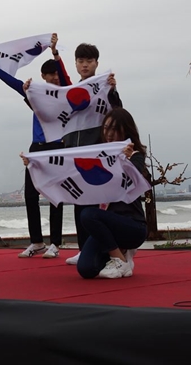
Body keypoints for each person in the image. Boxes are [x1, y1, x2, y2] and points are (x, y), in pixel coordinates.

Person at [0, 33, 71, 258]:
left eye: (56, 75)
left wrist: (55, 53)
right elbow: (11, 82)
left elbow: (67, 80)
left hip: (58, 146)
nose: (55, 79)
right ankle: (37, 241)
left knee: (54, 195)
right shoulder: (34, 92)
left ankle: (55, 243)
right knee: (30, 194)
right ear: (43, 76)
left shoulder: (68, 95)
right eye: (50, 75)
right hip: (37, 147)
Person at [61, 43, 123, 265]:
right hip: (73, 154)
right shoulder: (69, 92)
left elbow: (117, 113)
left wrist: (113, 91)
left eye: (89, 60)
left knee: (94, 205)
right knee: (78, 201)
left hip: (95, 154)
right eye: (80, 61)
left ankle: (100, 250)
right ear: (76, 64)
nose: (84, 64)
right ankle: (83, 249)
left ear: (97, 63)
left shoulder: (104, 87)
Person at [76, 108, 149, 279]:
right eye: (106, 128)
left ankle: (119, 259)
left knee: (88, 215)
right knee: (86, 269)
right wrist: (37, 164)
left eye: (114, 129)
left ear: (125, 130)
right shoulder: (98, 157)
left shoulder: (135, 156)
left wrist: (126, 160)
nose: (109, 133)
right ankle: (121, 254)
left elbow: (136, 178)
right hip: (107, 226)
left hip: (132, 226)